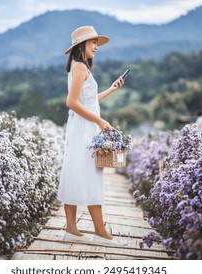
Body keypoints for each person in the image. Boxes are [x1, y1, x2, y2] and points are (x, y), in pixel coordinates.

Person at [57, 26, 127, 246]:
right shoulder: (79, 68)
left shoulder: (79, 67)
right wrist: (99, 121)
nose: (96, 47)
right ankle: (100, 232)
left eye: (97, 43)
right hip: (85, 128)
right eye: (92, 42)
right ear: (81, 45)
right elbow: (71, 102)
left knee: (76, 170)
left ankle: (71, 229)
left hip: (82, 126)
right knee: (89, 174)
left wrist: (112, 89)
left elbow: (88, 100)